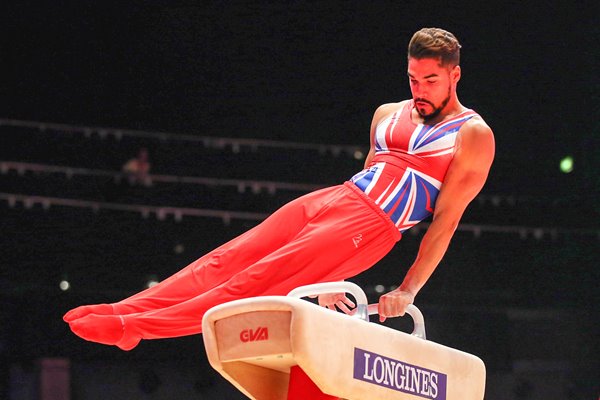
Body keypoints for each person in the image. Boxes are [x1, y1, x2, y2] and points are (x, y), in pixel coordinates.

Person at [64, 27, 495, 351]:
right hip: (337, 197)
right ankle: (124, 309)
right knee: (223, 260)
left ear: (455, 75)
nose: (419, 91)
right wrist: (329, 278)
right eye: (413, 79)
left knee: (253, 282)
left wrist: (407, 290)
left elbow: (446, 221)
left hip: (374, 223)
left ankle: (136, 329)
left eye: (431, 81)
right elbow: (368, 174)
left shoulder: (473, 134)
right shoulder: (388, 112)